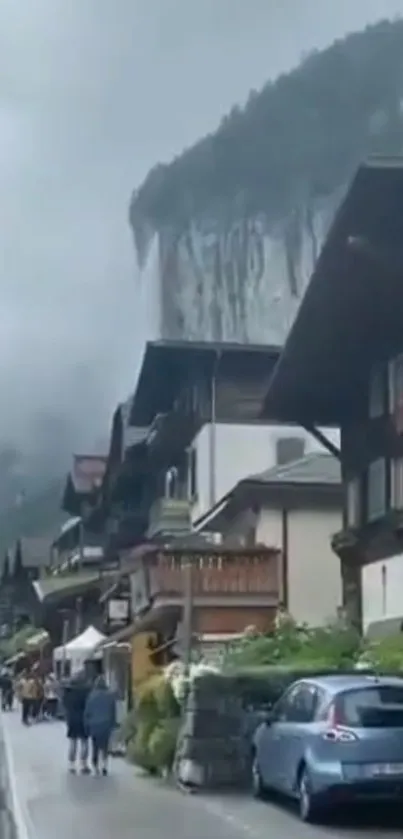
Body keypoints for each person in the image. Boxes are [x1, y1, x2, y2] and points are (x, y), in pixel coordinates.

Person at [84, 675, 116, 776]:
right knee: (105, 746)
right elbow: (113, 711)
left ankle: (95, 765)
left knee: (95, 746)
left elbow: (87, 712)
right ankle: (104, 765)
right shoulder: (110, 696)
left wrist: (86, 726)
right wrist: (113, 724)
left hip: (94, 725)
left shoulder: (91, 696)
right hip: (106, 724)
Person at [63, 670, 91, 774]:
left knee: (73, 742)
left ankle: (71, 765)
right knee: (84, 742)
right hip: (83, 719)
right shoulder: (86, 692)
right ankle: (84, 764)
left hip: (72, 719)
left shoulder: (68, 692)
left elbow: (65, 705)